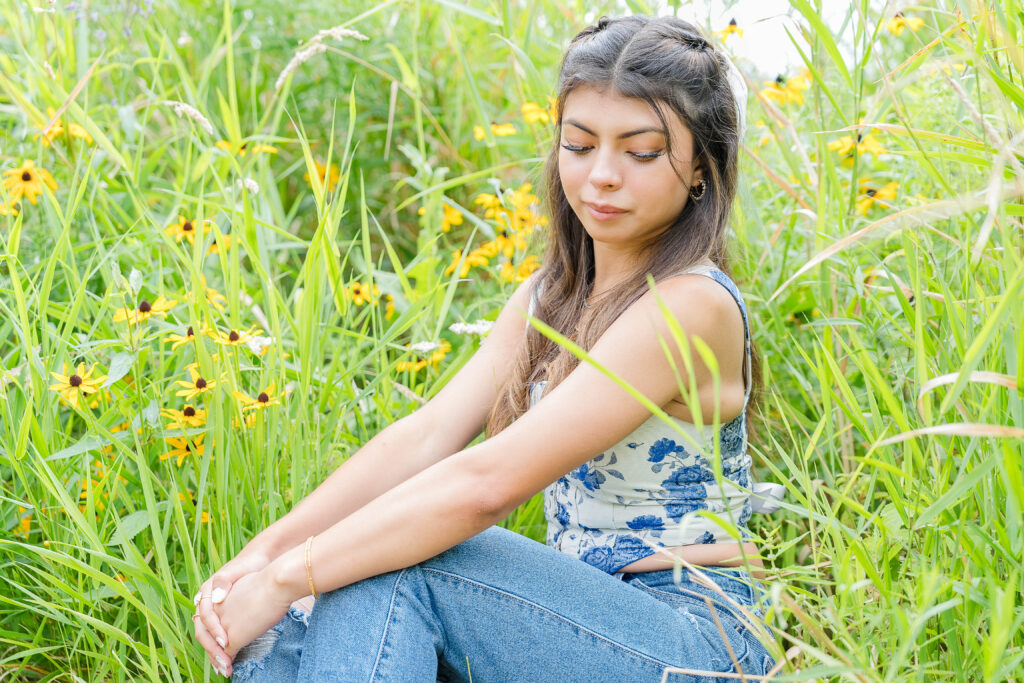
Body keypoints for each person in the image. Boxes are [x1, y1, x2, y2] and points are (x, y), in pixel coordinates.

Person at [192, 14, 784, 681]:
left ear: (702, 168)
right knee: (288, 636)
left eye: (641, 151)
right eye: (580, 145)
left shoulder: (691, 305)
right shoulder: (551, 297)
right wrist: (262, 558)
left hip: (693, 637)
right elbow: (425, 437)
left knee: (398, 552)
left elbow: (485, 485)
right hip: (574, 624)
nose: (602, 175)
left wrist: (287, 574)